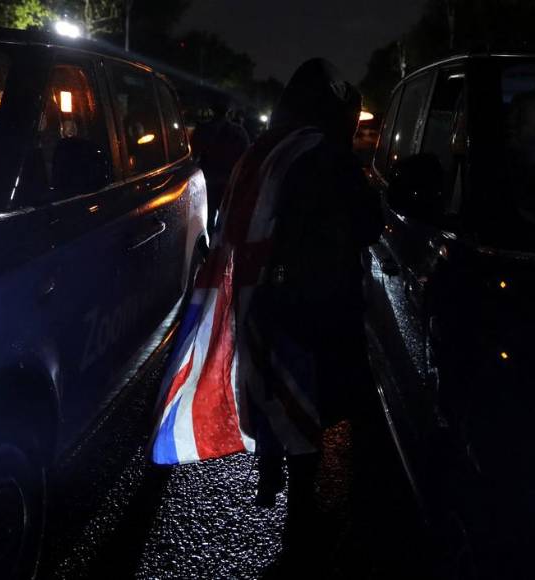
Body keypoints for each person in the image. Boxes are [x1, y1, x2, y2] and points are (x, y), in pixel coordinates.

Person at [217, 58, 382, 571]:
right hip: (321, 306)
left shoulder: (264, 150)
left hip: (266, 302)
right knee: (338, 410)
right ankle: (311, 535)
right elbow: (368, 224)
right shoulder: (326, 154)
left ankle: (286, 490)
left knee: (289, 403)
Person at [191, 94, 251, 226]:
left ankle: (208, 244)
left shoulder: (202, 130)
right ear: (229, 112)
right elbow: (246, 158)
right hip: (229, 183)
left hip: (207, 181)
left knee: (207, 218)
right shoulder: (239, 132)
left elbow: (194, 156)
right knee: (226, 220)